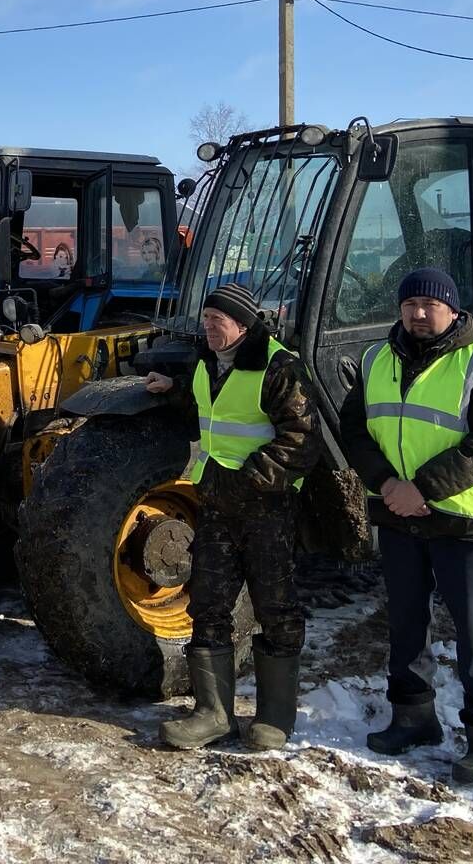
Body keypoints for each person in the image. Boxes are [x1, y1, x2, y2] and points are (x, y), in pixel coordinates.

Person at [339, 267, 473, 786]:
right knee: (405, 623)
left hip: (462, 520)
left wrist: (422, 488)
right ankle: (414, 718)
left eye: (430, 305)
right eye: (410, 304)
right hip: (398, 515)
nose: (419, 314)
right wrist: (387, 485)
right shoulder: (377, 358)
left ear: (453, 309)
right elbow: (355, 428)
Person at [144, 283, 320, 751]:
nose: (208, 328)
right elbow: (211, 405)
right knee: (206, 602)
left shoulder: (280, 367)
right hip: (219, 506)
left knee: (275, 607)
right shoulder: (207, 364)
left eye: (216, 321)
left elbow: (301, 439)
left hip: (268, 507)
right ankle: (213, 713)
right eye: (205, 320)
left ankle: (275, 718)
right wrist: (172, 387)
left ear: (242, 325)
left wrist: (248, 480)